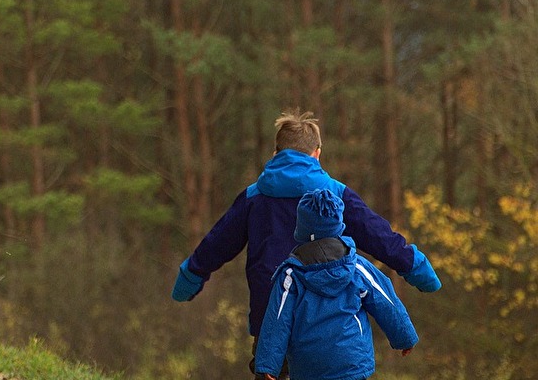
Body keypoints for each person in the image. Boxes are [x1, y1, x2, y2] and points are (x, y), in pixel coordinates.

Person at [171, 109, 440, 379]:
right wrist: (416, 267)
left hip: (271, 320)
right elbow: (379, 236)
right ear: (317, 152)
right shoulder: (335, 194)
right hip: (329, 328)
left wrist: (190, 276)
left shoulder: (254, 197)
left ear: (276, 152)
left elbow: (217, 243)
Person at [254, 189, 418, 380]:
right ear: (338, 224)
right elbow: (386, 301)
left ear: (302, 228)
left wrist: (268, 365)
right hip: (351, 362)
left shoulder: (290, 276)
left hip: (309, 366)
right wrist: (404, 337)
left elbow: (278, 318)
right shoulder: (357, 267)